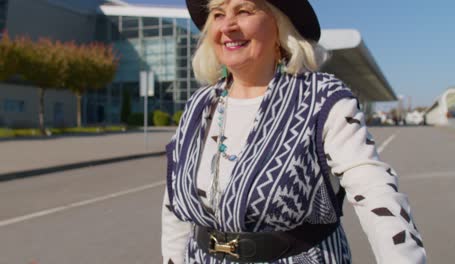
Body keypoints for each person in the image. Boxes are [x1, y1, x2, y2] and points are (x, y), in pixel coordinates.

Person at [162, 0, 427, 263]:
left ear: (279, 26)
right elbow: (174, 204)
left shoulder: (322, 98)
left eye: (243, 11)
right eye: (218, 15)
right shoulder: (200, 104)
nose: (228, 26)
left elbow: (373, 189)